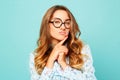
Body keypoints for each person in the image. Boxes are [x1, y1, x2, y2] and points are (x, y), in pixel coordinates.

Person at [29, 5, 97, 80]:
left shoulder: (82, 50)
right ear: (47, 25)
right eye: (57, 22)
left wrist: (64, 64)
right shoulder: (36, 56)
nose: (63, 27)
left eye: (67, 23)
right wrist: (51, 60)